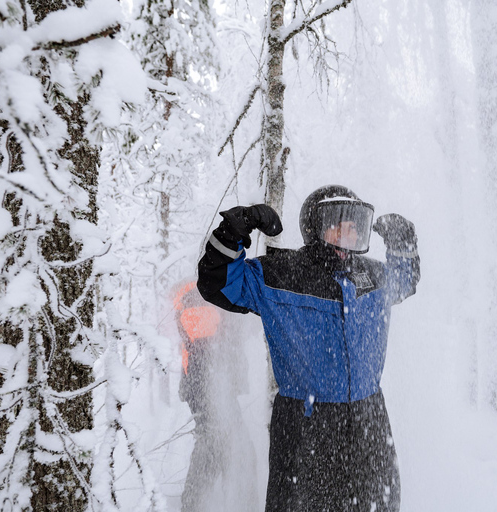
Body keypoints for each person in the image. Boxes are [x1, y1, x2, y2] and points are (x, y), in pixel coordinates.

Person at [197, 185, 420, 512]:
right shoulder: (281, 275)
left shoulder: (372, 275)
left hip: (369, 420)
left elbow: (406, 279)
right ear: (315, 229)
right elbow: (217, 283)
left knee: (379, 505)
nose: (350, 230)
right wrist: (234, 230)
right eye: (338, 221)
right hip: (306, 426)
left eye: (355, 223)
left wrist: (404, 245)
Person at [172, 280, 257, 512]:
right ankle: (196, 506)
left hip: (217, 389)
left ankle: (228, 503)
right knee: (218, 448)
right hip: (205, 389)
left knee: (232, 450)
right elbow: (204, 339)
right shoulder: (197, 294)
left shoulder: (218, 291)